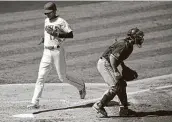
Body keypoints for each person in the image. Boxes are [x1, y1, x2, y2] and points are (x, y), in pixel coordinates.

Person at [27, 2, 86, 109]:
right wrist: (44, 39)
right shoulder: (46, 21)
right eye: (45, 13)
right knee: (41, 77)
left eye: (49, 13)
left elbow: (70, 34)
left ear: (54, 11)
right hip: (46, 53)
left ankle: (81, 86)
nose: (47, 15)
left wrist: (57, 34)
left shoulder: (61, 21)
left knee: (62, 77)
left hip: (57, 52)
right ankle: (35, 102)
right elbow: (49, 35)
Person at [92, 27, 144, 117]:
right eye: (138, 36)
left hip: (109, 64)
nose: (140, 38)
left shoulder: (129, 46)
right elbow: (112, 57)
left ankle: (124, 110)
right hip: (105, 64)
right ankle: (99, 105)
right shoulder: (124, 45)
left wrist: (124, 67)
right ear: (132, 37)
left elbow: (119, 58)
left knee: (122, 84)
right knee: (115, 86)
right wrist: (115, 71)